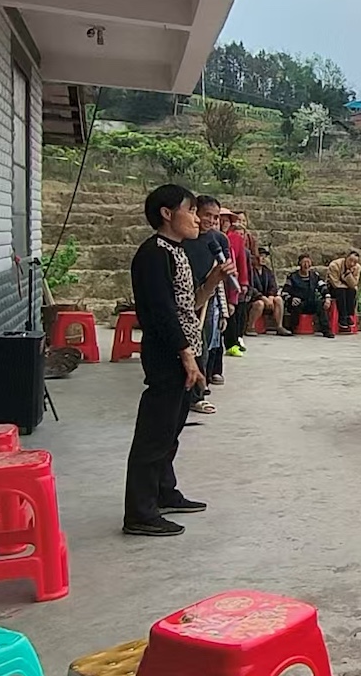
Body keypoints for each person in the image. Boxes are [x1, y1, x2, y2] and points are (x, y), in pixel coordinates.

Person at [123, 184, 228, 537]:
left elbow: (190, 304)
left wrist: (213, 280)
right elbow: (163, 313)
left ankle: (164, 492)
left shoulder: (177, 251)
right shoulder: (153, 254)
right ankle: (139, 512)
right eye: (190, 210)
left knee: (171, 431)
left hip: (186, 350)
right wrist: (186, 357)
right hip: (168, 353)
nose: (197, 218)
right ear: (167, 214)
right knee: (154, 434)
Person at [187, 196, 237, 408]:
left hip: (207, 298)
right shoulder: (185, 237)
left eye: (215, 217)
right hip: (183, 296)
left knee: (203, 345)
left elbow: (222, 275)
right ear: (195, 212)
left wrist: (225, 308)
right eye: (207, 215)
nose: (211, 220)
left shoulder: (219, 240)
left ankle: (198, 394)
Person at [282, 254, 334, 337]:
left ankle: (326, 330)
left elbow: (323, 287)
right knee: (296, 305)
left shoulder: (315, 276)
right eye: (304, 262)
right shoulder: (292, 277)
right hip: (297, 304)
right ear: (299, 264)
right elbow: (284, 292)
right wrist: (291, 299)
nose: (306, 265)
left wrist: (327, 297)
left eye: (308, 262)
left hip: (310, 302)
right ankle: (292, 328)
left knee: (320, 304)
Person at [239, 245, 287, 336]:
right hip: (253, 300)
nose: (263, 259)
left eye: (265, 257)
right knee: (259, 304)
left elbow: (273, 286)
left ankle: (279, 326)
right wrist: (262, 297)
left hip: (267, 300)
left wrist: (271, 297)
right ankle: (250, 327)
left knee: (278, 300)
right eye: (261, 256)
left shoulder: (267, 272)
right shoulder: (250, 271)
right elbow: (250, 287)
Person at [326, 249, 361, 333]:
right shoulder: (334, 265)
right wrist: (346, 281)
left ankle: (349, 315)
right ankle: (342, 317)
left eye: (355, 262)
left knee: (352, 291)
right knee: (341, 291)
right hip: (333, 288)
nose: (352, 264)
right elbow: (335, 283)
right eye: (350, 260)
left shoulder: (357, 268)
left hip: (346, 288)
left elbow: (354, 284)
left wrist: (348, 275)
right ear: (346, 258)